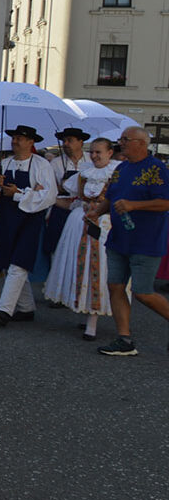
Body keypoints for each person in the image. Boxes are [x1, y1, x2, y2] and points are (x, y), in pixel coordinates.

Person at [92, 127, 169, 356]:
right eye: (121, 139)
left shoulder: (157, 169)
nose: (121, 143)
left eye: (126, 139)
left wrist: (135, 205)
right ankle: (124, 339)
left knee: (143, 292)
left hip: (146, 240)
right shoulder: (121, 168)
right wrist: (98, 211)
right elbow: (113, 196)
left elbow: (165, 202)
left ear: (141, 144)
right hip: (119, 239)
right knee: (115, 286)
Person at [45, 138, 119, 340]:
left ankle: (93, 321)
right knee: (81, 268)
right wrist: (46, 197)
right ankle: (86, 312)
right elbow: (73, 201)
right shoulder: (84, 174)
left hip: (105, 226)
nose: (94, 156)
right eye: (92, 152)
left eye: (99, 152)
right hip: (80, 224)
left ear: (110, 153)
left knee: (98, 270)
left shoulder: (117, 173)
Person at [0, 125, 57, 326]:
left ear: (31, 142)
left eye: (20, 138)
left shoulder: (41, 165)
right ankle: (26, 307)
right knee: (9, 263)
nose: (16, 141)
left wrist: (18, 193)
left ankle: (4, 310)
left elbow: (49, 196)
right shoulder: (4, 164)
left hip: (30, 220)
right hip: (7, 218)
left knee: (19, 262)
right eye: (14, 138)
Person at [43, 128, 90, 278]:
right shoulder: (56, 163)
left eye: (70, 140)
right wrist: (60, 187)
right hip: (60, 208)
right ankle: (56, 284)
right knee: (57, 246)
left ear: (80, 142)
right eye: (64, 141)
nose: (66, 144)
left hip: (84, 209)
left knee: (80, 247)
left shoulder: (90, 161)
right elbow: (47, 186)